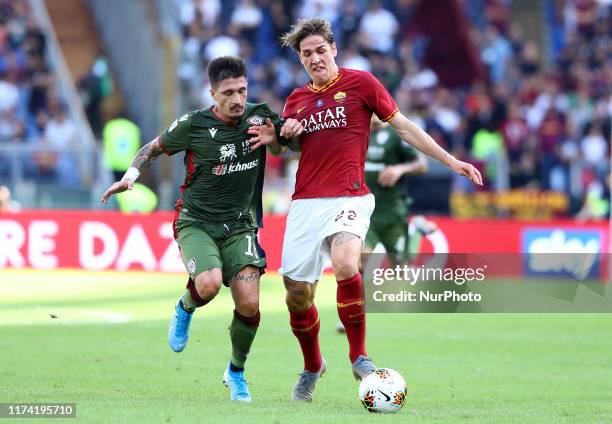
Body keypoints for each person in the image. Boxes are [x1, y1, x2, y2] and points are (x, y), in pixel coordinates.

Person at [276, 18, 482, 402]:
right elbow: (287, 149)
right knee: (297, 297)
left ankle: (360, 357)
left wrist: (451, 161)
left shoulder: (362, 84)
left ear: (334, 49)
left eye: (321, 50)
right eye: (307, 54)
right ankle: (312, 365)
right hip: (305, 202)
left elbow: (404, 127)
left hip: (350, 196)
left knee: (345, 263)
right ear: (301, 60)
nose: (315, 58)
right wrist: (285, 136)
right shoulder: (296, 100)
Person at [100, 56, 302, 402]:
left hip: (241, 225)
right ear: (212, 93)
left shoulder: (261, 115)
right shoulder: (193, 125)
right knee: (207, 284)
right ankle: (185, 306)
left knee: (250, 302)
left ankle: (235, 372)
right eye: (228, 93)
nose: (237, 99)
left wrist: (279, 139)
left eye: (242, 89)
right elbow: (152, 149)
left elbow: (290, 146)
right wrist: (129, 177)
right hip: (196, 222)